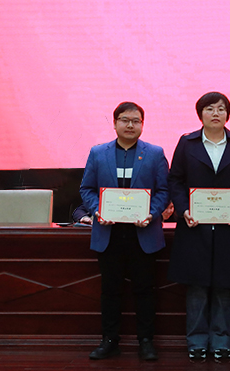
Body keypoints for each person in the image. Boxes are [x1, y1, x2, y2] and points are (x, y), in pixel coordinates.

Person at [72, 102, 169, 361]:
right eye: (125, 120)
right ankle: (109, 340)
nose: (130, 125)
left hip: (143, 233)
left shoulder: (155, 153)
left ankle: (146, 341)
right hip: (109, 234)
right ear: (114, 123)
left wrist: (151, 213)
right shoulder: (98, 153)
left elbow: (163, 191)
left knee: (144, 290)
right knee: (110, 291)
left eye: (136, 121)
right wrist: (98, 210)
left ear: (142, 125)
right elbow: (86, 189)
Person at [167, 92, 230, 361]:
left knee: (223, 287)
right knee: (196, 287)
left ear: (228, 114)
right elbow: (175, 180)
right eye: (209, 108)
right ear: (200, 114)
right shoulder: (187, 143)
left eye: (221, 109)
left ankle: (221, 340)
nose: (215, 113)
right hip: (195, 227)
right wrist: (183, 210)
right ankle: (196, 342)